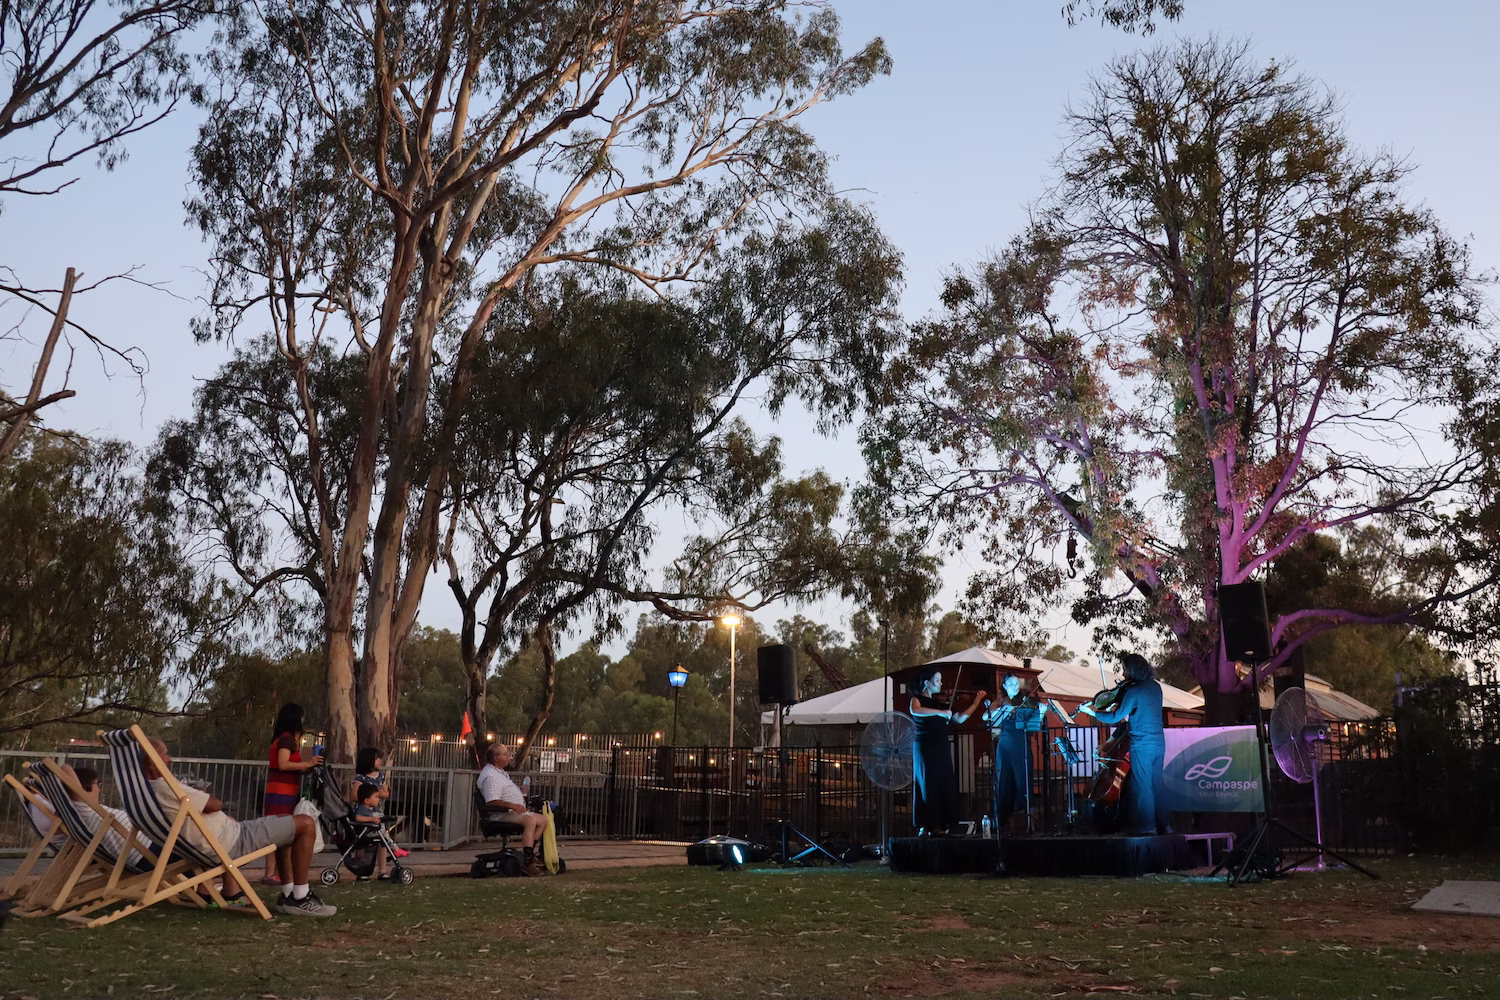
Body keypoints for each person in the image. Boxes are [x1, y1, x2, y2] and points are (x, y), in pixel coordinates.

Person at [143, 735, 335, 916]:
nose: (169, 759)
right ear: (152, 761)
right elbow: (215, 804)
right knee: (306, 823)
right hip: (230, 843)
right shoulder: (166, 787)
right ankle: (301, 897)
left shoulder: (147, 792)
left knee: (285, 821)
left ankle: (288, 893)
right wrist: (200, 794)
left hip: (217, 841)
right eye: (165, 755)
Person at [1078, 652, 1170, 835]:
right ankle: (1165, 826)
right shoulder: (1156, 687)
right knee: (1157, 785)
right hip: (1159, 743)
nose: (1123, 673)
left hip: (1141, 744)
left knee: (1143, 786)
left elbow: (1116, 716)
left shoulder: (1133, 691)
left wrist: (1092, 712)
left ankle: (1148, 827)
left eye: (1125, 669)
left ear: (1132, 670)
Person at [907, 668, 986, 837]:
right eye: (937, 680)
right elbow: (915, 711)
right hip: (925, 746)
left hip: (941, 746)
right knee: (927, 783)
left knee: (942, 783)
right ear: (927, 682)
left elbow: (959, 718)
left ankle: (940, 824)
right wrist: (941, 712)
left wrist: (976, 702)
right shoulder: (917, 699)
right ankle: (926, 825)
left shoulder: (941, 703)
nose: (941, 684)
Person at [262, 704, 322, 887]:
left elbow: (290, 766)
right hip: (280, 791)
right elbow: (283, 764)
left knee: (280, 829)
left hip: (285, 789)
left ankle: (277, 872)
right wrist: (307, 763)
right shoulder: (286, 740)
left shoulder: (284, 739)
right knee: (277, 828)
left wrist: (307, 767)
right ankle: (271, 873)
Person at [981, 674, 1046, 833]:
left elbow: (1033, 724)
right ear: (1004, 686)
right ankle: (1007, 823)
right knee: (1004, 781)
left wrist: (1041, 712)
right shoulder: (1000, 701)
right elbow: (985, 716)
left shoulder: (1026, 701)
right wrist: (1004, 709)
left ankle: (1028, 823)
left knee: (1023, 782)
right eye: (1011, 684)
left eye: (1017, 683)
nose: (1015, 686)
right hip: (1005, 746)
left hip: (1021, 745)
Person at [476, 743, 545, 876]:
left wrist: (520, 792)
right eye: (505, 754)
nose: (509, 757)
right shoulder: (491, 777)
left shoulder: (500, 773)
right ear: (496, 758)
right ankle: (528, 862)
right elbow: (492, 801)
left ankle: (529, 852)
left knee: (543, 821)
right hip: (500, 815)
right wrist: (513, 805)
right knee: (530, 821)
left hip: (512, 812)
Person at [350, 782, 391, 880]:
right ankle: (361, 871)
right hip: (364, 834)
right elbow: (358, 818)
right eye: (376, 797)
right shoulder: (362, 808)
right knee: (362, 851)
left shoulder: (371, 809)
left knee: (383, 842)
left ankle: (382, 870)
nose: (378, 799)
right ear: (367, 800)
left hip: (370, 833)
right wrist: (372, 819)